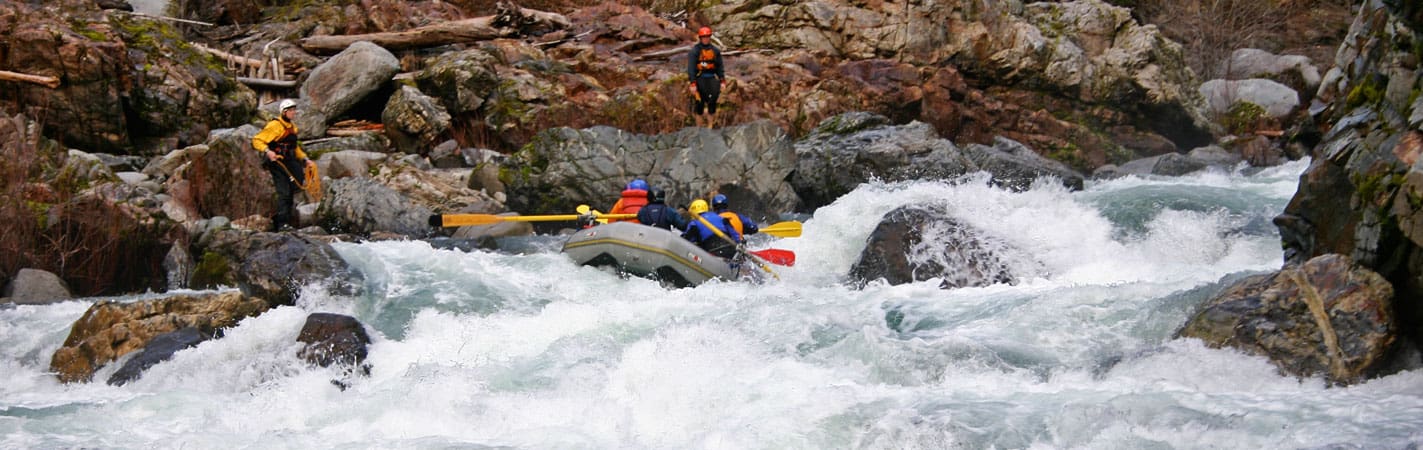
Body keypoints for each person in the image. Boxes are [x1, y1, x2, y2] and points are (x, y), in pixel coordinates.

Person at [251, 99, 316, 231]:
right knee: (284, 192)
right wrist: (268, 151)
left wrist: (305, 159)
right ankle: (281, 224)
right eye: (291, 110)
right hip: (277, 161)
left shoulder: (292, 127)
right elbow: (257, 140)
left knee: (294, 188)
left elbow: (295, 148)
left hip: (290, 161)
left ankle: (287, 220)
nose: (294, 113)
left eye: (294, 110)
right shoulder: (274, 126)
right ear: (284, 112)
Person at [686, 26, 725, 129]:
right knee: (699, 103)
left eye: (707, 36)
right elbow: (691, 68)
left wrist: (722, 80)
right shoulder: (695, 51)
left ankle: (710, 126)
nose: (706, 39)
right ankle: (699, 127)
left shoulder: (715, 51)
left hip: (711, 78)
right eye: (704, 37)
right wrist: (693, 83)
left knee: (712, 102)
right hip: (699, 79)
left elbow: (720, 67)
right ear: (700, 38)